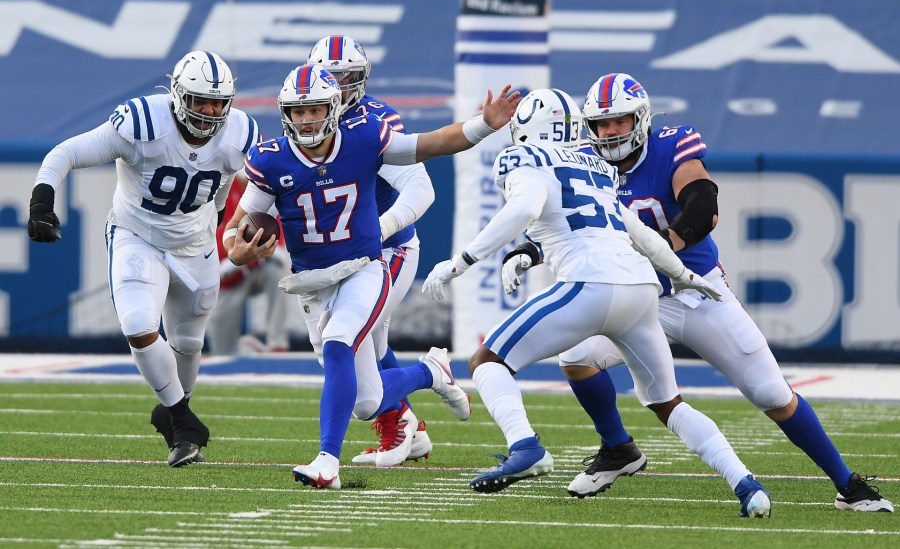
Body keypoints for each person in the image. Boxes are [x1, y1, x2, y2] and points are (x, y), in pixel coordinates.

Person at [502, 73, 894, 513]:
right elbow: (572, 226)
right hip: (638, 297)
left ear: (642, 117)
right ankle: (618, 449)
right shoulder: (583, 163)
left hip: (697, 292)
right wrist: (527, 251)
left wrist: (662, 248)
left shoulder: (671, 145)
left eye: (620, 121)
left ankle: (847, 484)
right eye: (601, 124)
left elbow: (703, 206)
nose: (610, 132)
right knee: (576, 358)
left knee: (770, 393)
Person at [423, 87, 772, 518]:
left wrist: (460, 262)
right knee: (668, 403)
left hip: (588, 284)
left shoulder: (524, 159)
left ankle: (525, 446)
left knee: (487, 361)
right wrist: (685, 276)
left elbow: (522, 209)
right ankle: (746, 484)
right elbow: (641, 235)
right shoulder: (597, 168)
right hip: (643, 288)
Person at [223, 64, 520, 489]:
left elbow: (433, 143)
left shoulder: (363, 139)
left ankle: (327, 461)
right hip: (313, 283)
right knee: (366, 402)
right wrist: (237, 249)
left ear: (333, 108)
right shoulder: (270, 159)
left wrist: (484, 125)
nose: (306, 119)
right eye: (298, 111)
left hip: (365, 268)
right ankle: (431, 371)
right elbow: (239, 224)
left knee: (340, 341)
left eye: (314, 110)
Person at [28, 50, 261, 467]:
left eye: (217, 103)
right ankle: (181, 418)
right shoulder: (141, 123)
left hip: (197, 242)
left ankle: (176, 421)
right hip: (138, 234)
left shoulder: (241, 133)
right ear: (176, 95)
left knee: (188, 343)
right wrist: (42, 201)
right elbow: (67, 152)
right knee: (138, 324)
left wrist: (236, 232)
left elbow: (261, 190)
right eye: (199, 101)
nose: (209, 112)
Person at [306, 35, 435, 465]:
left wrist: (379, 229)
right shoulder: (305, 119)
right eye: (332, 79)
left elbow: (420, 187)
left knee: (352, 345)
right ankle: (409, 422)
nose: (341, 89)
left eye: (349, 79)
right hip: (337, 260)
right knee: (370, 344)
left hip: (387, 252)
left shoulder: (376, 122)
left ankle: (411, 400)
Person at [207, 174, 291, 355]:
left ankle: (277, 343)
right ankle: (247, 349)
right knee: (222, 354)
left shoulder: (269, 188)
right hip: (227, 278)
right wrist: (228, 259)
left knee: (276, 270)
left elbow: (279, 242)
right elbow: (214, 233)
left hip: (257, 267)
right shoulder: (222, 190)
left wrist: (265, 251)